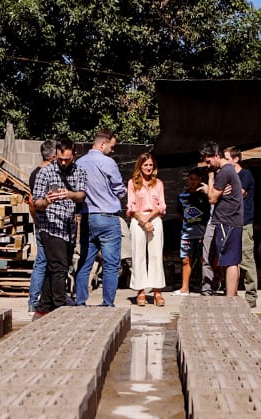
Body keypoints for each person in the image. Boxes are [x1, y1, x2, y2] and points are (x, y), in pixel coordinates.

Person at [30, 137, 87, 317]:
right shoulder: (45, 173)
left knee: (53, 267)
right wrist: (46, 202)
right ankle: (59, 308)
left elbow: (82, 195)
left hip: (69, 227)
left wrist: (69, 194)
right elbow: (36, 202)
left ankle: (43, 307)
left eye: (67, 159)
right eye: (60, 158)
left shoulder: (79, 172)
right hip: (50, 226)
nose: (62, 162)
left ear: (74, 156)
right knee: (60, 267)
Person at [74, 129, 127, 307]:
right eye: (111, 147)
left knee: (85, 261)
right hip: (107, 217)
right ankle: (107, 304)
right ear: (102, 144)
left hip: (87, 217)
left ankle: (80, 301)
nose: (112, 150)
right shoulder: (108, 163)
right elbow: (119, 189)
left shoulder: (79, 163)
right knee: (111, 264)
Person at [201, 141, 243, 300]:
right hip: (231, 220)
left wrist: (210, 182)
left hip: (227, 221)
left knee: (230, 261)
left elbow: (212, 198)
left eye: (209, 161)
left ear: (217, 156)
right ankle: (231, 296)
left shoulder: (224, 172)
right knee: (231, 260)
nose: (208, 165)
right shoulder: (229, 171)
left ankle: (230, 298)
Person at [127, 151, 167, 307]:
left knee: (156, 254)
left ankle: (157, 291)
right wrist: (142, 220)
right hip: (138, 220)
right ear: (140, 166)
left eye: (151, 165)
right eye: (145, 165)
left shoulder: (159, 183)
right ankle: (140, 290)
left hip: (154, 218)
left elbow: (162, 206)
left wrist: (149, 219)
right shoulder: (132, 183)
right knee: (139, 254)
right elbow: (131, 205)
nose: (148, 168)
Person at [27, 140, 57, 316]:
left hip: (41, 222)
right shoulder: (45, 174)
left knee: (43, 261)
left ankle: (37, 300)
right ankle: (35, 300)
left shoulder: (34, 173)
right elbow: (32, 201)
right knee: (43, 261)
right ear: (53, 156)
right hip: (46, 224)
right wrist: (38, 220)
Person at [225, 146, 258, 309]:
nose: (224, 162)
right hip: (230, 223)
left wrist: (227, 190)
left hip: (244, 223)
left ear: (236, 159)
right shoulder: (227, 176)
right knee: (232, 261)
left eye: (227, 158)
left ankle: (251, 297)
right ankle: (233, 293)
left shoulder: (245, 175)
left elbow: (239, 193)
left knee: (246, 260)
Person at [175, 168, 210, 296]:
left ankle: (207, 287)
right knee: (185, 260)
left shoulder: (205, 196)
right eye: (191, 179)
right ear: (187, 179)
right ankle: (185, 288)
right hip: (187, 233)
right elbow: (179, 213)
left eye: (196, 179)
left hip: (202, 233)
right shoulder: (182, 196)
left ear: (200, 181)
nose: (193, 182)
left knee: (204, 261)